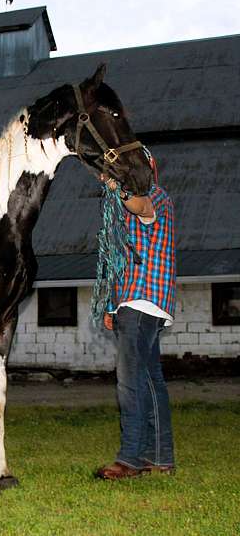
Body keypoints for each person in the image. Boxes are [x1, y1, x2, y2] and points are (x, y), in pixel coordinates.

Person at [95, 172, 176, 480]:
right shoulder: (119, 208)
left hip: (143, 301)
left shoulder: (155, 194)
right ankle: (160, 457)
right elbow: (121, 261)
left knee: (129, 383)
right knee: (150, 380)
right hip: (136, 303)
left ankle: (131, 458)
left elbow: (140, 207)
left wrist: (120, 189)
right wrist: (111, 305)